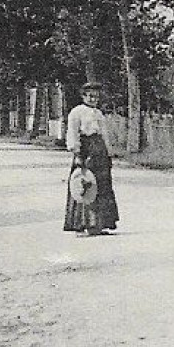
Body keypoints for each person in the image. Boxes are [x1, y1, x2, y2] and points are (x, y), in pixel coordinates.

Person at [63, 81, 120, 237]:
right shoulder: (77, 112)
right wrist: (77, 153)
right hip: (85, 149)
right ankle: (83, 222)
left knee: (102, 185)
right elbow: (73, 133)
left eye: (96, 97)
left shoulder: (98, 113)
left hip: (99, 150)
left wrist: (108, 153)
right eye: (90, 96)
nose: (94, 99)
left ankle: (100, 224)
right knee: (86, 184)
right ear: (83, 96)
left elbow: (104, 134)